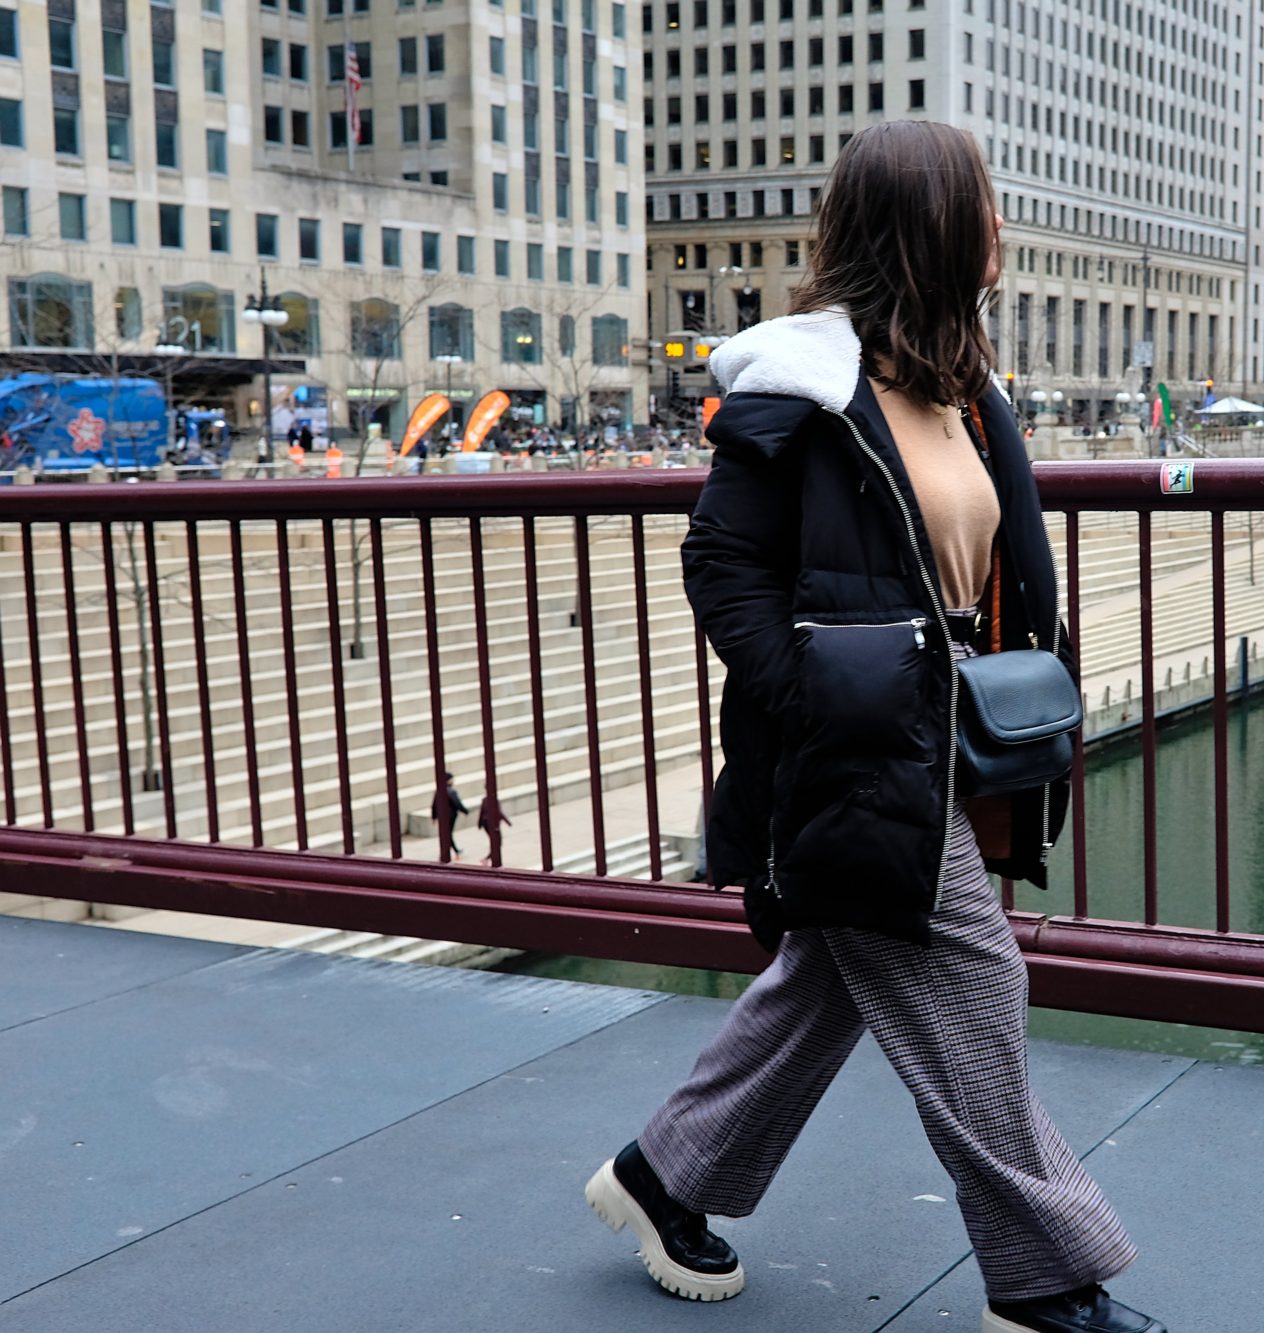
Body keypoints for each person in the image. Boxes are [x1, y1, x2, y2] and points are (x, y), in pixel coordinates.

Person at [582, 121, 1162, 1333]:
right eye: (986, 209)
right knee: (974, 976)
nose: (1001, 230)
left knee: (833, 977)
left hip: (941, 732)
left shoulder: (960, 385)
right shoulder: (803, 384)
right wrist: (812, 697)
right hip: (852, 743)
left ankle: (662, 1175)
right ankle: (1044, 1276)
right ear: (934, 225)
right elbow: (722, 566)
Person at [431, 773, 469, 861]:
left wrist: (434, 817)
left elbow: (434, 805)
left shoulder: (439, 791)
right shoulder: (451, 791)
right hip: (450, 816)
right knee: (448, 834)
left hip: (442, 816)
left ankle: (450, 852)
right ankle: (450, 852)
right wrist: (465, 811)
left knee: (446, 834)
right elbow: (457, 803)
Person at [477, 791, 511, 867]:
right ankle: (488, 859)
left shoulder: (484, 800)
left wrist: (479, 824)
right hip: (493, 824)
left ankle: (489, 858)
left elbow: (481, 812)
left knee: (495, 842)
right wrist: (507, 822)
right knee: (498, 843)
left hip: (485, 823)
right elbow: (499, 812)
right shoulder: (495, 800)